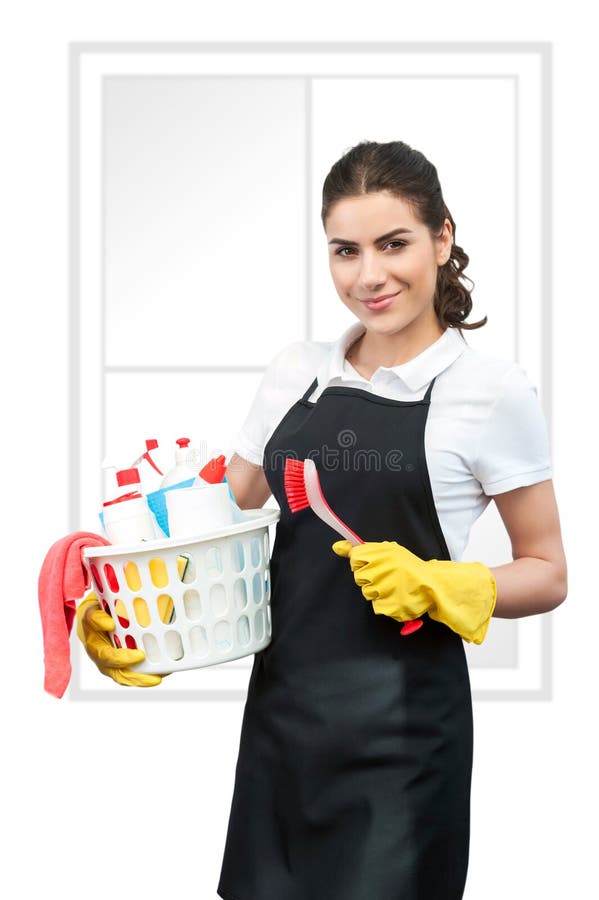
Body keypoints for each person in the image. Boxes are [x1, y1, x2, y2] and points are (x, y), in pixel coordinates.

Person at [77, 140, 568, 899]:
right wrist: (139, 622)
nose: (368, 275)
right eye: (345, 251)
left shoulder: (490, 391)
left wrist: (447, 585)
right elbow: (219, 518)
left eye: (393, 244)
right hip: (282, 720)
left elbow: (547, 570)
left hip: (404, 741)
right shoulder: (295, 370)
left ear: (442, 238)